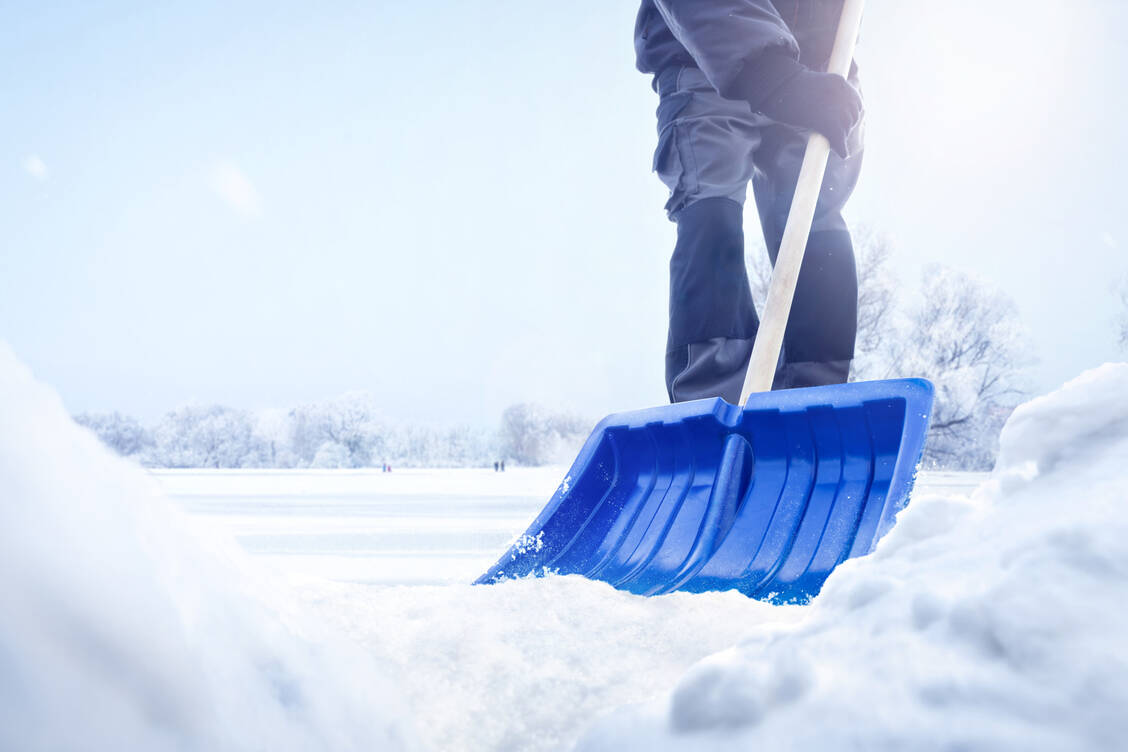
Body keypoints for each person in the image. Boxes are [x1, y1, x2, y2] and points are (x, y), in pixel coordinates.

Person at [635, 0, 865, 403]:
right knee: (711, 204)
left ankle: (815, 402)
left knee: (814, 216)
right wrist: (770, 75)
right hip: (705, 51)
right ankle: (714, 399)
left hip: (822, 65)